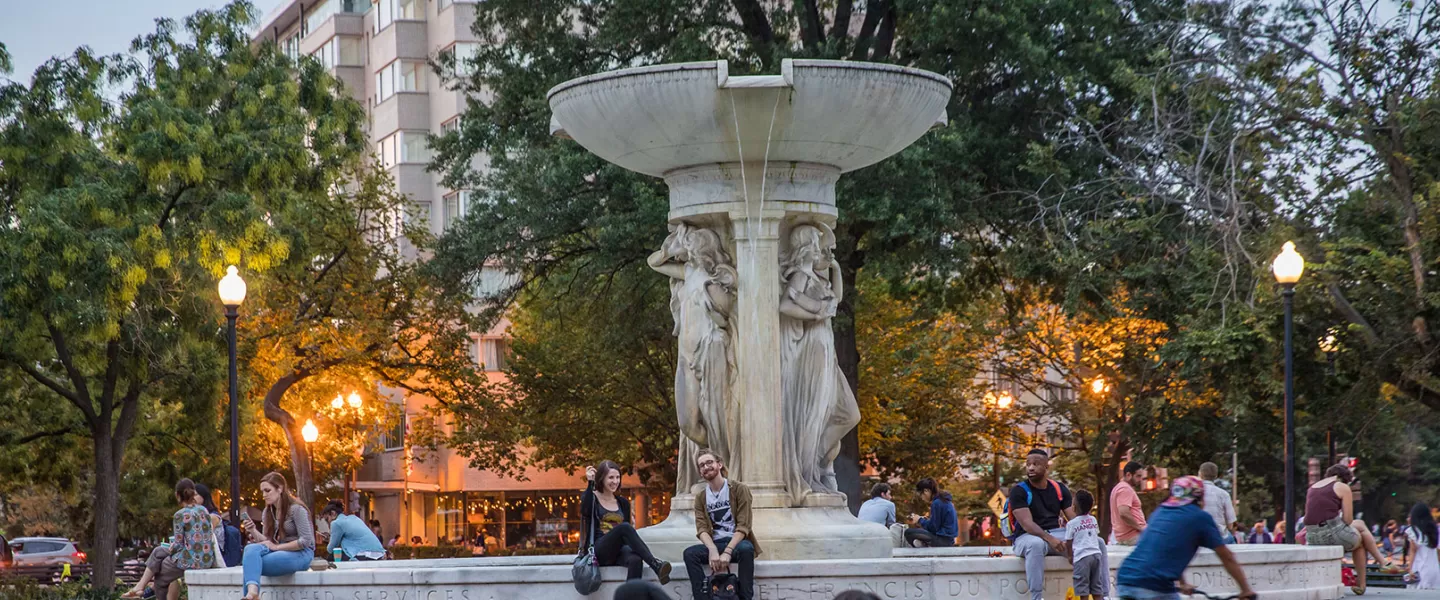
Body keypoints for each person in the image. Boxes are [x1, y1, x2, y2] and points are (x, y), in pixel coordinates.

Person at [1115, 476, 1257, 600]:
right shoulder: (1200, 518)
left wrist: (1182, 583)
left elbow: (1170, 549)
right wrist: (1245, 589)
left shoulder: (1161, 512)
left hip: (1126, 579)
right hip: (1154, 586)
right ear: (1199, 497)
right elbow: (1227, 557)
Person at [123, 479, 220, 600]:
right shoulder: (203, 510)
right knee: (158, 551)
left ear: (177, 495)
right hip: (205, 558)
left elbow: (178, 545)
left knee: (159, 576)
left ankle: (140, 588)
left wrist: (172, 546)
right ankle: (140, 587)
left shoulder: (180, 515)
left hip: (191, 560)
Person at [1303, 463, 1391, 594]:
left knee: (1360, 524)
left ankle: (1381, 563)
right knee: (1360, 541)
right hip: (1331, 533)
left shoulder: (1313, 487)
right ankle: (1368, 577)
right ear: (1343, 478)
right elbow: (1348, 520)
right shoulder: (1342, 487)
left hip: (1311, 536)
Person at [682, 449, 758, 600]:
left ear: (720, 464)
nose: (706, 467)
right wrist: (712, 550)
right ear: (700, 472)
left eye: (709, 462)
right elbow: (702, 528)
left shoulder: (739, 489)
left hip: (736, 543)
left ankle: (745, 598)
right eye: (702, 465)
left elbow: (744, 526)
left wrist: (728, 551)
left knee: (746, 549)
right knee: (690, 554)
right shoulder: (701, 497)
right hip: (715, 543)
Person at [581, 460, 672, 584]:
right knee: (624, 527)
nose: (615, 481)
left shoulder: (622, 502)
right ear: (601, 478)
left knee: (635, 559)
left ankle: (630, 594)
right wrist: (590, 482)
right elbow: (585, 510)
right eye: (611, 477)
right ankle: (655, 564)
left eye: (618, 477)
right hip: (598, 550)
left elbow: (628, 536)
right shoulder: (593, 498)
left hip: (617, 550)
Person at [1009, 449, 1074, 600]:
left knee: (1097, 542)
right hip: (1026, 537)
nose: (1030, 468)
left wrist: (1082, 533)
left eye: (1036, 464)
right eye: (1028, 464)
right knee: (1036, 544)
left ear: (1046, 467)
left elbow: (1073, 518)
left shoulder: (1059, 489)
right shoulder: (1019, 491)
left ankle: (1100, 594)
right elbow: (1027, 524)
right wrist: (1049, 539)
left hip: (1056, 534)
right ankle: (1036, 597)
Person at [240, 472, 315, 600]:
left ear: (280, 488)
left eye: (267, 490)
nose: (264, 495)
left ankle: (251, 594)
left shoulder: (296, 509)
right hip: (278, 551)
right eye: (262, 491)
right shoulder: (267, 512)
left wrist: (276, 547)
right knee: (250, 550)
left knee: (251, 563)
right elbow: (267, 541)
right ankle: (252, 593)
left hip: (301, 553)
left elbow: (306, 541)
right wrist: (253, 530)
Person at [1064, 490, 1106, 600]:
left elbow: (1069, 542)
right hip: (1096, 555)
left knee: (1083, 589)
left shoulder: (1071, 524)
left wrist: (1070, 556)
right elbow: (1094, 535)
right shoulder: (1093, 519)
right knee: (1097, 587)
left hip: (1082, 557)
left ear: (1074, 507)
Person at [319, 500, 386, 561]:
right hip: (379, 554)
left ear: (333, 513)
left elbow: (330, 549)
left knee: (331, 557)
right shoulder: (354, 518)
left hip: (363, 554)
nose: (328, 523)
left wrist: (328, 540)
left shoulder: (336, 523)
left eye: (327, 519)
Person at [904, 478, 958, 547]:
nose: (922, 498)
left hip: (942, 540)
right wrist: (926, 520)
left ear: (926, 491)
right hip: (948, 539)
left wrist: (919, 520)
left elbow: (934, 528)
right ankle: (923, 544)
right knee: (917, 533)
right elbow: (938, 524)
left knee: (908, 532)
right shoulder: (944, 501)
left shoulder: (937, 503)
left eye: (921, 495)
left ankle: (923, 547)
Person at [1198, 462, 1238, 543]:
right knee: (1231, 539)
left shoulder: (1191, 493)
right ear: (1216, 476)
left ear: (1200, 474)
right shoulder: (1224, 494)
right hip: (1219, 537)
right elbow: (1230, 525)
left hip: (1197, 537)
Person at [1110, 461, 1147, 545]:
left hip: (1128, 536)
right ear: (1128, 475)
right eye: (1138, 476)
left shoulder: (1119, 488)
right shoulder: (1125, 489)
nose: (1140, 479)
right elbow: (1124, 513)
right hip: (1132, 536)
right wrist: (1140, 528)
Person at [1405, 503, 1440, 590]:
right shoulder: (1434, 530)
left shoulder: (1413, 531)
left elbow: (1413, 551)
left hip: (1420, 567)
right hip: (1434, 569)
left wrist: (1410, 569)